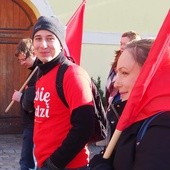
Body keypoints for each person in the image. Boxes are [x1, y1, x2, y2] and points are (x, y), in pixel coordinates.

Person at [90, 38, 170, 170]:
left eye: (125, 73)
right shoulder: (133, 116)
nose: (116, 83)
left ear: (152, 76)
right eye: (117, 73)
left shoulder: (163, 128)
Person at [31, 16, 95, 170]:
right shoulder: (43, 72)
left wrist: (55, 163)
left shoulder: (72, 75)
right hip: (44, 162)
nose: (43, 44)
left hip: (67, 165)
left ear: (61, 43)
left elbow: (84, 127)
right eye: (38, 38)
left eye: (50, 38)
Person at [12, 38, 40, 170]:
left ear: (33, 53)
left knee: (27, 163)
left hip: (34, 124)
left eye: (24, 59)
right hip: (30, 124)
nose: (22, 63)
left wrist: (21, 97)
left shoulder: (40, 71)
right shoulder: (34, 71)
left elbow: (38, 99)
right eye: (20, 60)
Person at [105, 31, 141, 109]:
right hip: (114, 96)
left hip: (126, 97)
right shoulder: (117, 60)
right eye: (121, 43)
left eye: (125, 44)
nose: (122, 47)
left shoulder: (138, 62)